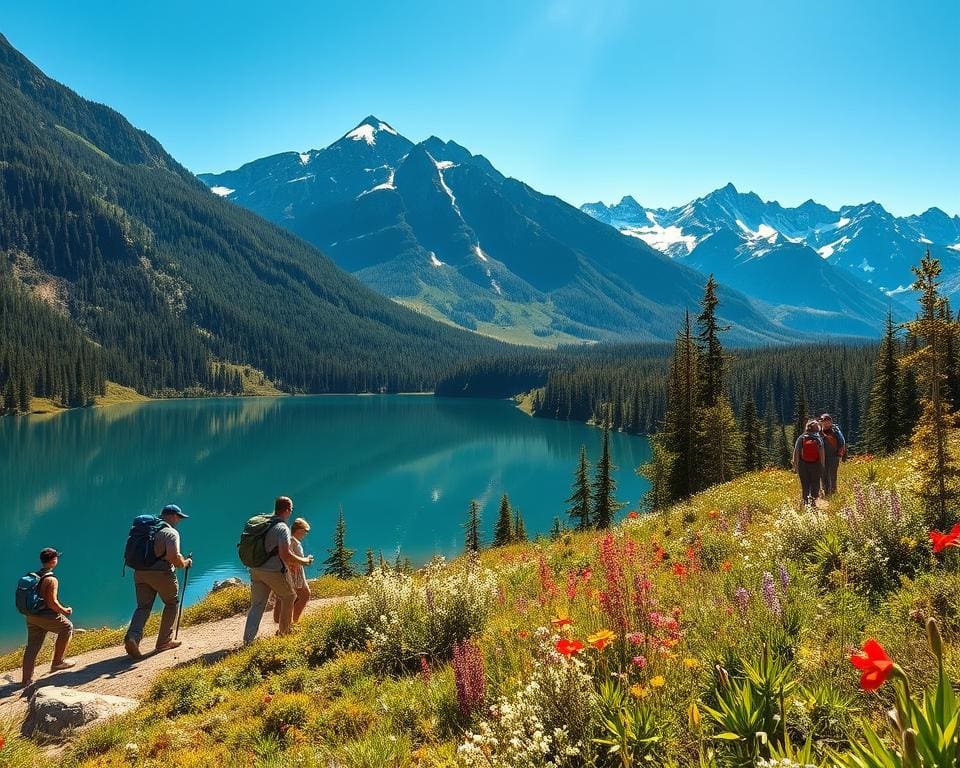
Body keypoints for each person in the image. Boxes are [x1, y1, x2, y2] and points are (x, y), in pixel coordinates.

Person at [123, 504, 192, 659]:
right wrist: (185, 563)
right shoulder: (170, 533)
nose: (179, 520)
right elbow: (174, 557)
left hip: (140, 573)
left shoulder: (146, 531)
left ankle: (132, 637)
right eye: (179, 517)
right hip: (161, 573)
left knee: (143, 607)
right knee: (171, 603)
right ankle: (164, 642)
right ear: (173, 516)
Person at [243, 497, 313, 644]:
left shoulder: (265, 523)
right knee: (289, 596)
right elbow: (285, 554)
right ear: (287, 510)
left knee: (257, 604)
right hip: (271, 571)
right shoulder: (282, 528)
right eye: (291, 510)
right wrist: (304, 561)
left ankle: (248, 640)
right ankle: (284, 633)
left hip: (255, 568)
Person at [21, 548, 74, 688]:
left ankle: (26, 680)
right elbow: (52, 603)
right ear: (53, 561)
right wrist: (65, 611)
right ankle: (57, 662)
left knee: (32, 646)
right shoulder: (51, 579)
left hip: (31, 615)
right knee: (67, 627)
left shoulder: (35, 576)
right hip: (45, 615)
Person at [273, 517, 313, 625]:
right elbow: (288, 558)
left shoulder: (290, 540)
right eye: (304, 532)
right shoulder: (292, 541)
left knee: (285, 597)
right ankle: (292, 622)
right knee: (304, 595)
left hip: (290, 573)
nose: (305, 535)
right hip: (294, 574)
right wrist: (305, 560)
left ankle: (281, 620)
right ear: (299, 530)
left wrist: (305, 559)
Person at [792, 419, 825, 505]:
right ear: (817, 428)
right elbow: (822, 454)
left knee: (805, 486)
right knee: (815, 485)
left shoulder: (801, 438)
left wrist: (795, 466)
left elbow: (796, 452)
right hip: (816, 465)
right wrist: (822, 465)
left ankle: (805, 504)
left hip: (803, 465)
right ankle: (814, 504)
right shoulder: (818, 438)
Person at [818, 413, 847, 496]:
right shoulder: (818, 432)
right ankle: (826, 492)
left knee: (832, 475)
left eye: (828, 421)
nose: (826, 422)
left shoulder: (836, 431)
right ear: (821, 422)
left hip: (834, 456)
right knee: (823, 475)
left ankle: (833, 492)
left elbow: (842, 443)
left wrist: (843, 454)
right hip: (822, 457)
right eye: (824, 421)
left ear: (831, 421)